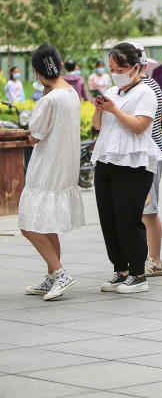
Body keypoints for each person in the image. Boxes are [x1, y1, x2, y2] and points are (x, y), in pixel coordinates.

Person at [91, 42, 162, 294]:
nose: (116, 72)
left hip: (134, 163)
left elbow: (139, 126)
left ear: (135, 67)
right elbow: (98, 126)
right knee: (108, 217)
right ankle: (120, 270)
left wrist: (113, 109)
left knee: (128, 218)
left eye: (120, 67)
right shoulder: (112, 90)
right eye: (112, 68)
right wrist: (100, 109)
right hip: (106, 159)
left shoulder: (146, 93)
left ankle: (138, 273)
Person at [18, 44, 84, 301]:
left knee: (27, 223)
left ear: (36, 71)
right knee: (48, 224)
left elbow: (34, 135)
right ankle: (52, 275)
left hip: (46, 169)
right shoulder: (70, 93)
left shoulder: (49, 99)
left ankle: (59, 272)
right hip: (65, 167)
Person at [135, 46, 162, 278]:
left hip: (149, 156)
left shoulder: (147, 85)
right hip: (138, 155)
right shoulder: (138, 85)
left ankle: (156, 261)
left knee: (149, 210)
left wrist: (146, 122)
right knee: (141, 210)